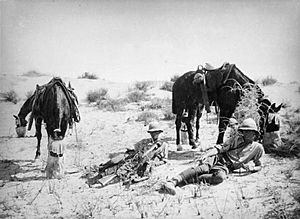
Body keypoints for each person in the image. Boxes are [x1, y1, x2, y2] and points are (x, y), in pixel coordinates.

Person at [160, 118, 264, 195]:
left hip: (226, 167)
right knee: (203, 168)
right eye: (244, 131)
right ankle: (173, 181)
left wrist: (253, 168)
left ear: (254, 133)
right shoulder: (236, 139)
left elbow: (259, 165)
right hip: (218, 157)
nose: (245, 133)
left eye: (248, 131)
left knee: (219, 178)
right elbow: (219, 148)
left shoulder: (257, 148)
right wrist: (206, 155)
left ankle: (188, 180)